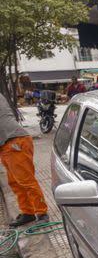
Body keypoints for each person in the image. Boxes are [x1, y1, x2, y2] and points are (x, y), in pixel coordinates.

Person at [0, 92, 48, 227]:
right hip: (6, 143)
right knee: (15, 182)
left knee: (26, 181)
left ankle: (41, 213)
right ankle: (28, 212)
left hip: (14, 141)